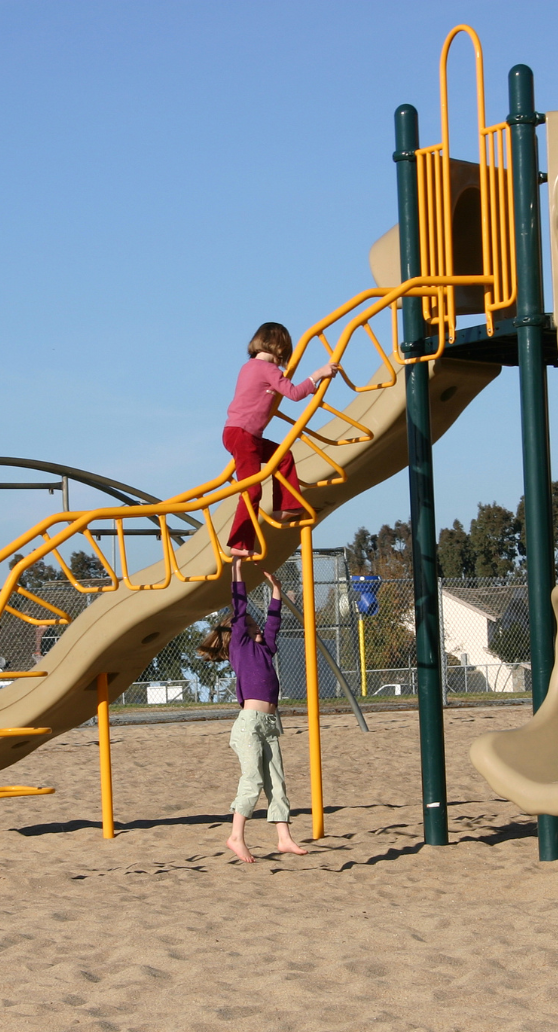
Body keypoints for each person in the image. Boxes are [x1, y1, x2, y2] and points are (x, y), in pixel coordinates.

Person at [223, 321, 338, 556]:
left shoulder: (248, 367)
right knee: (252, 490)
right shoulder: (269, 370)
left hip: (241, 433)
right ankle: (239, 544)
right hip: (244, 435)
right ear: (280, 349)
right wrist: (317, 375)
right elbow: (294, 393)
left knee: (283, 456)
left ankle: (286, 506)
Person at [225, 555, 307, 862]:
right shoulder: (241, 647)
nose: (257, 626)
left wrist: (276, 589)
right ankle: (236, 836)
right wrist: (236, 567)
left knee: (276, 780)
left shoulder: (265, 649)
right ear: (240, 632)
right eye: (250, 624)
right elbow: (238, 605)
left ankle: (284, 838)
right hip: (249, 724)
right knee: (253, 780)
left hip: (271, 723)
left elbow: (274, 622)